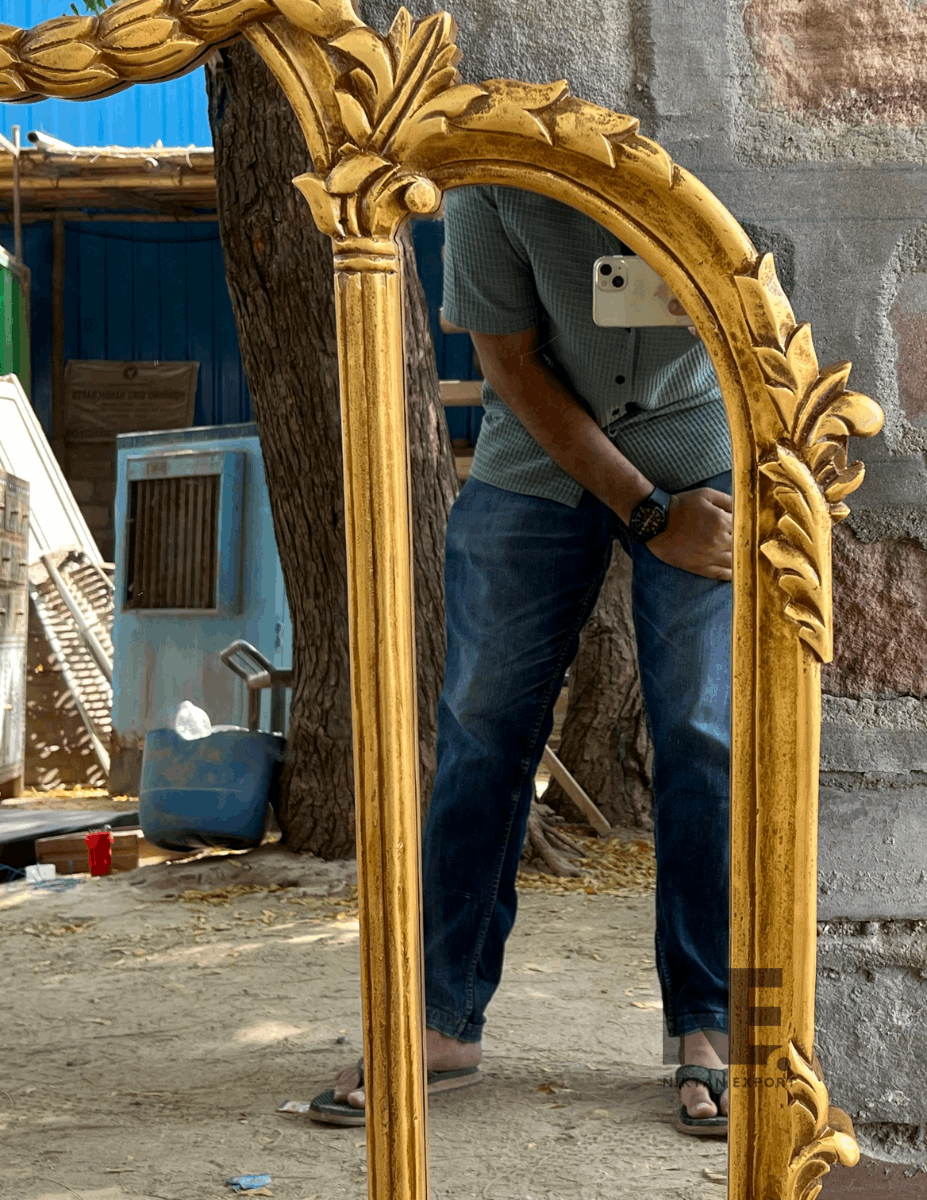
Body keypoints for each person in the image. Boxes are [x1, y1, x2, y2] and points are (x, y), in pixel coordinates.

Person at [310, 185, 732, 1136]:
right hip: (536, 451)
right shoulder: (488, 171)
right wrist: (644, 513)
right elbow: (504, 354)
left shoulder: (701, 141)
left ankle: (711, 1024)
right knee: (481, 729)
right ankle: (440, 1022)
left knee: (707, 734)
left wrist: (692, 501)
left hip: (700, 439)